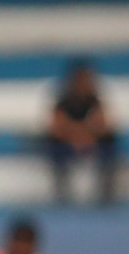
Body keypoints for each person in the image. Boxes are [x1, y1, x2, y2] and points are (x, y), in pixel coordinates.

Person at [45, 58, 118, 205]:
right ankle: (62, 196)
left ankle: (106, 195)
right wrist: (77, 136)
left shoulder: (94, 101)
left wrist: (86, 136)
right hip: (67, 143)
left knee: (110, 140)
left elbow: (102, 123)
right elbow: (57, 126)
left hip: (90, 141)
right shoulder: (63, 102)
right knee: (54, 143)